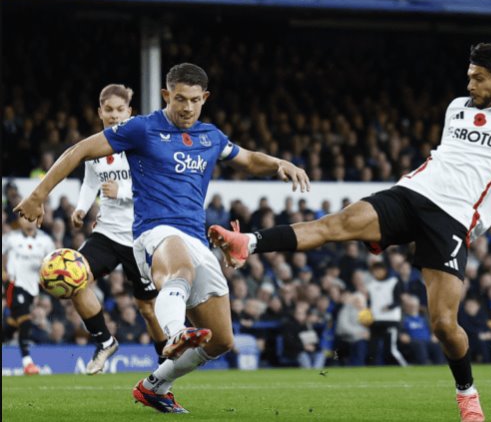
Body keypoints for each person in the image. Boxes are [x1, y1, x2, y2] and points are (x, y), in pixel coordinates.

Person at [209, 42, 491, 422]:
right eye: (469, 76)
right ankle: (249, 242)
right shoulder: (456, 108)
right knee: (335, 225)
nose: (470, 85)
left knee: (444, 325)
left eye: (478, 78)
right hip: (412, 192)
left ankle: (467, 393)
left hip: (453, 220)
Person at [14, 63, 309, 413]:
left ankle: (155, 386)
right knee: (178, 267)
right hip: (154, 232)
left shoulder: (210, 136)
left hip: (196, 239)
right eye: (180, 99)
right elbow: (78, 151)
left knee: (221, 341)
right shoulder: (141, 128)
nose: (187, 108)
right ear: (167, 95)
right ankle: (173, 333)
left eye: (195, 101)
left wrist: (277, 163)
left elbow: (247, 159)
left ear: (205, 99)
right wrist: (37, 195)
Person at [68, 84, 166, 375]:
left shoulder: (141, 144)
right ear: (99, 112)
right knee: (75, 278)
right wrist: (81, 208)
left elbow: (156, 184)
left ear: (129, 112)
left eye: (119, 110)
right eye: (108, 110)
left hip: (139, 237)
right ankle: (105, 340)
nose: (113, 115)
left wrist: (121, 190)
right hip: (107, 234)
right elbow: (90, 183)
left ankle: (166, 361)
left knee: (148, 309)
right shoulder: (94, 147)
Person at [2, 216, 55, 375]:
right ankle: (27, 363)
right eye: (26, 218)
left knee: (12, 325)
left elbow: (52, 262)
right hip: (14, 285)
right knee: (25, 320)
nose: (29, 221)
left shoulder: (46, 241)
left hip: (33, 288)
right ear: (20, 221)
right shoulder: (11, 238)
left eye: (33, 218)